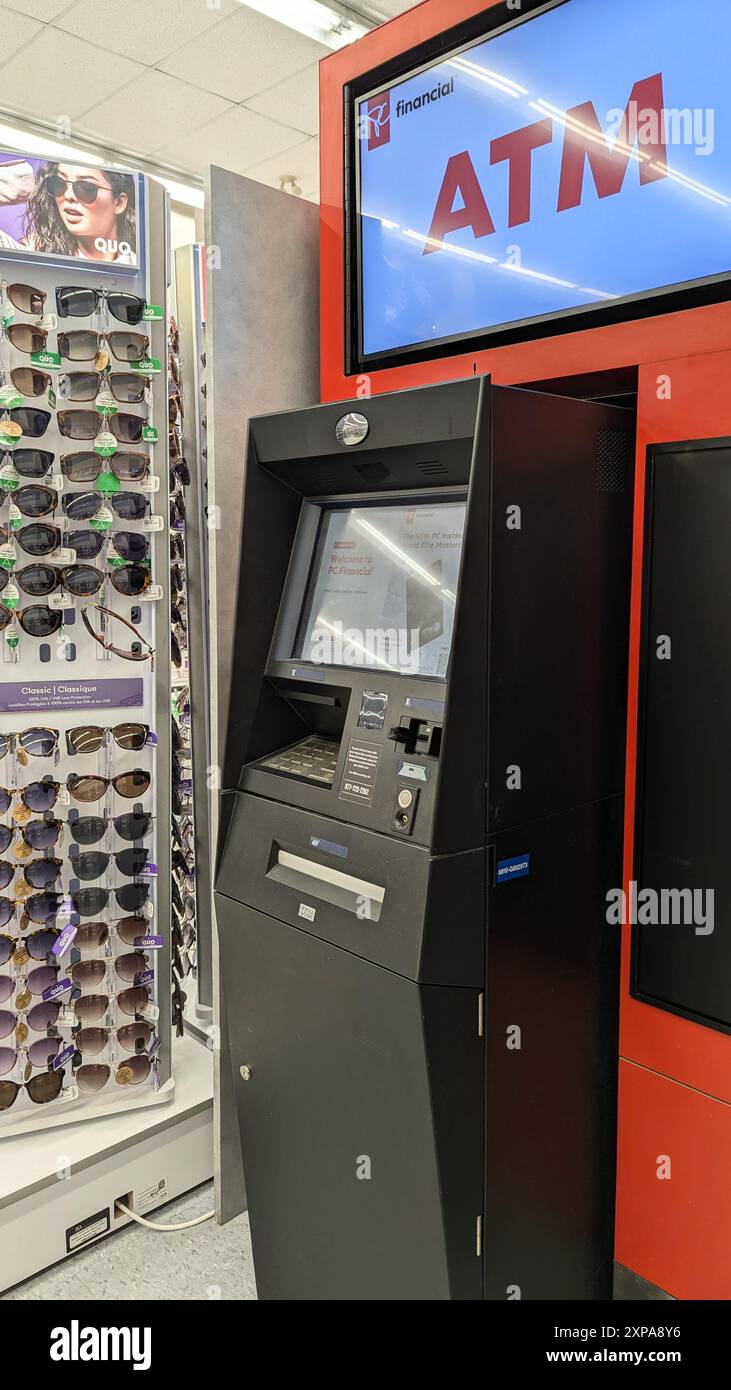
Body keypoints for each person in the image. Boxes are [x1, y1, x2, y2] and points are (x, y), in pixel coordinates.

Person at [21, 162, 137, 263]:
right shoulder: (35, 250)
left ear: (119, 203)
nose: (68, 195)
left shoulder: (139, 265)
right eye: (59, 183)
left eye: (86, 188)